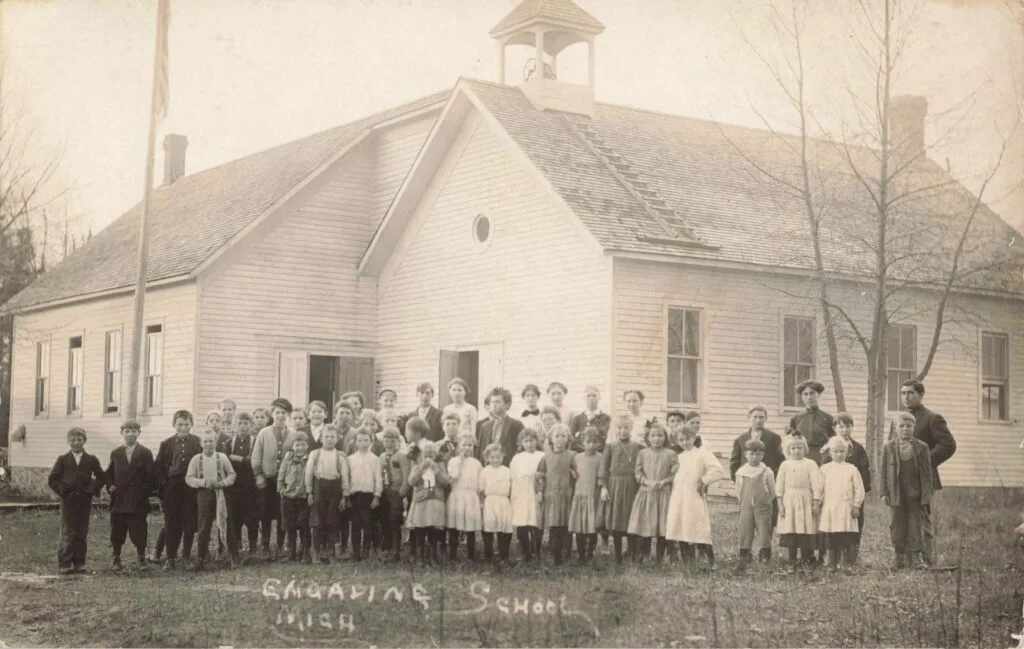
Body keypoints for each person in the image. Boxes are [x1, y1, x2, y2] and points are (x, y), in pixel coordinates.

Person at [899, 379, 956, 566]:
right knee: (902, 517)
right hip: (901, 478)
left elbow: (948, 445)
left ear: (921, 395)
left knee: (921, 516)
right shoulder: (900, 420)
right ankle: (908, 559)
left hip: (923, 478)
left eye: (911, 393)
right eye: (903, 393)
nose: (906, 397)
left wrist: (922, 462)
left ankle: (927, 559)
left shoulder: (932, 418)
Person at [880, 412, 934, 570]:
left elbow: (927, 473)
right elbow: (883, 472)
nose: (905, 429)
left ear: (914, 428)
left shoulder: (922, 447)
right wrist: (884, 492)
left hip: (915, 494)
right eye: (901, 426)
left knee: (916, 524)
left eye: (909, 426)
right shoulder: (888, 447)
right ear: (896, 428)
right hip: (896, 493)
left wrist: (927, 493)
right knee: (897, 523)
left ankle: (915, 557)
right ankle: (899, 557)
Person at [666, 422, 725, 568]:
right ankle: (687, 560)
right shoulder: (678, 457)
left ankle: (707, 559)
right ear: (676, 441)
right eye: (681, 440)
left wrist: (703, 480)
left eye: (687, 438)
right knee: (680, 524)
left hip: (694, 495)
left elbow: (718, 470)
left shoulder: (702, 453)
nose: (685, 442)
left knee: (698, 525)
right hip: (678, 496)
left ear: (694, 437)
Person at [48, 427, 105, 575]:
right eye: (72, 440)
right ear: (68, 441)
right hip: (68, 502)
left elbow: (101, 476)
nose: (76, 442)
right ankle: (65, 563)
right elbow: (53, 479)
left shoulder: (91, 459)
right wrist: (63, 491)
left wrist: (92, 488)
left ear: (84, 441)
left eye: (79, 439)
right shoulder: (62, 459)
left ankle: (79, 563)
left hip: (85, 501)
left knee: (81, 532)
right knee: (68, 531)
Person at [105, 420, 155, 572]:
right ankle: (116, 557)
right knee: (117, 530)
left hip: (137, 500)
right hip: (119, 499)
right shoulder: (116, 453)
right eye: (127, 431)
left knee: (138, 529)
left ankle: (141, 558)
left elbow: (150, 476)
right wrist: (110, 486)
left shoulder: (145, 453)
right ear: (122, 433)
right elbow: (109, 474)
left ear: (139, 433)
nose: (130, 434)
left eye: (134, 431)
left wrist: (143, 493)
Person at [154, 410, 201, 569]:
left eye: (187, 424)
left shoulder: (197, 442)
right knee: (171, 522)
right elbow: (159, 467)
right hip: (172, 487)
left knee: (189, 522)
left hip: (191, 487)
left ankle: (186, 556)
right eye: (180, 424)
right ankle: (171, 557)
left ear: (191, 425)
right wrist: (164, 484)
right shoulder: (166, 444)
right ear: (174, 425)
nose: (183, 427)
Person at [185, 430, 238, 570]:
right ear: (201, 443)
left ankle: (233, 556)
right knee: (203, 526)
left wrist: (223, 483)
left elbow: (232, 474)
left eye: (211, 441)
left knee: (227, 523)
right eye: (205, 441)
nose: (208, 444)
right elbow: (189, 478)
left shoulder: (222, 457)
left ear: (216, 443)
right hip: (204, 495)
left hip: (221, 494)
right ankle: (201, 558)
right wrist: (202, 483)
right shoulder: (196, 459)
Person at [823, 412, 871, 563]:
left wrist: (858, 493)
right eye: (840, 426)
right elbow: (823, 473)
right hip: (833, 497)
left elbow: (864, 470)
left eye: (847, 426)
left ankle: (850, 558)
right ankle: (832, 559)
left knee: (853, 525)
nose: (844, 430)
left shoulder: (857, 448)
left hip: (851, 495)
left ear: (852, 427)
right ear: (834, 428)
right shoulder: (827, 449)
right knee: (833, 526)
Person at [776, 435, 824, 574]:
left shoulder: (810, 464)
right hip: (789, 499)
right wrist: (780, 504)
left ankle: (805, 560)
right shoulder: (785, 465)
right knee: (791, 531)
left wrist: (816, 502)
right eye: (793, 448)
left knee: (805, 530)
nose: (796, 451)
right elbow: (779, 486)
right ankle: (791, 561)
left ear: (805, 449)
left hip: (805, 499)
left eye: (799, 447)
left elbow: (817, 484)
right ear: (788, 450)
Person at [818, 436, 865, 572]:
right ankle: (833, 563)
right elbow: (819, 488)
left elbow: (859, 489)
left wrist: (856, 505)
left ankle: (847, 563)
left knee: (846, 535)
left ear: (847, 453)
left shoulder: (851, 469)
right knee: (832, 535)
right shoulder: (825, 469)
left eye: (842, 452)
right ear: (830, 453)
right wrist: (818, 503)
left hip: (846, 508)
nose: (839, 454)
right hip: (830, 507)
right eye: (836, 452)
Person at [252, 398, 291, 558]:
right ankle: (266, 544)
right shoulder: (264, 433)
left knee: (283, 513)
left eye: (283, 413)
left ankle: (281, 545)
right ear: (272, 415)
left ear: (287, 415)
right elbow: (256, 456)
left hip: (285, 482)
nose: (280, 416)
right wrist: (259, 475)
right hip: (267, 479)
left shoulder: (293, 434)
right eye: (277, 413)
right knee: (266, 513)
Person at [600, 415, 642, 564]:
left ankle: (632, 552)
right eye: (619, 428)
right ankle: (617, 556)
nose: (623, 431)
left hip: (631, 484)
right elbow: (604, 468)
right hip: (614, 485)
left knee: (631, 517)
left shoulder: (638, 447)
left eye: (626, 427)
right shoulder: (610, 446)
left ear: (631, 428)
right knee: (616, 518)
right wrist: (604, 487)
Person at [304, 427, 349, 564]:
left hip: (334, 488)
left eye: (332, 437)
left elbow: (345, 476)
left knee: (333, 520)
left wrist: (344, 495)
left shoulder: (340, 455)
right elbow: (309, 473)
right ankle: (316, 552)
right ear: (321, 438)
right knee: (317, 521)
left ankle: (330, 551)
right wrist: (309, 491)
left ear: (337, 439)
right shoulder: (315, 454)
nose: (329, 439)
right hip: (319, 487)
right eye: (327, 437)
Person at [732, 439, 776, 573]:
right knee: (745, 529)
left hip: (762, 506)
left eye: (758, 454)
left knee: (764, 529)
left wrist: (766, 502)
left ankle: (764, 554)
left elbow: (772, 491)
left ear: (763, 455)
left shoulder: (766, 471)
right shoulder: (741, 472)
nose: (755, 457)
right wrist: (743, 502)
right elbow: (738, 490)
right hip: (746, 505)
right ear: (745, 454)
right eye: (751, 454)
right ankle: (745, 554)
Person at [536, 425, 575, 565]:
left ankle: (567, 554)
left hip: (567, 494)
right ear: (551, 439)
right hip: (551, 494)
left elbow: (577, 474)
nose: (560, 439)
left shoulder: (572, 456)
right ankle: (555, 555)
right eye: (557, 436)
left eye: (563, 436)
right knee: (553, 525)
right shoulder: (546, 457)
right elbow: (540, 476)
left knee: (566, 525)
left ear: (568, 439)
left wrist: (574, 473)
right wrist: (540, 491)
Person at [222, 411, 259, 555]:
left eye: (246, 423)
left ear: (251, 426)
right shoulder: (229, 443)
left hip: (251, 486)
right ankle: (237, 546)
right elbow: (225, 462)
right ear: (234, 426)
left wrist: (239, 459)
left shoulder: (255, 441)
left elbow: (255, 461)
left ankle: (253, 546)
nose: (243, 427)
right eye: (240, 423)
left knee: (252, 518)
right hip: (234, 487)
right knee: (235, 517)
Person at [407, 440, 450, 563]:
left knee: (433, 530)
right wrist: (421, 470)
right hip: (421, 502)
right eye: (425, 456)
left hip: (435, 502)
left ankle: (433, 556)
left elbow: (445, 483)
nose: (428, 459)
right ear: (421, 456)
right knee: (420, 529)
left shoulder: (439, 468)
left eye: (431, 456)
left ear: (435, 456)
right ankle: (420, 557)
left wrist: (437, 471)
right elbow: (411, 482)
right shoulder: (417, 467)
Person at [568, 428, 603, 563]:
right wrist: (572, 472)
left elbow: (601, 476)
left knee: (592, 526)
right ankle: (581, 554)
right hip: (580, 494)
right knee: (579, 526)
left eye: (594, 442)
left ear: (599, 443)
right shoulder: (577, 458)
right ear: (582, 443)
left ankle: (590, 552)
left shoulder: (600, 458)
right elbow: (572, 472)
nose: (591, 445)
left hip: (593, 495)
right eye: (588, 442)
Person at [510, 428, 545, 562]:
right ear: (521, 443)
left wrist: (540, 490)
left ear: (536, 441)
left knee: (536, 522)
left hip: (536, 491)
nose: (529, 444)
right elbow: (513, 476)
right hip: (521, 491)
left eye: (532, 441)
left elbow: (544, 475)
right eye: (526, 441)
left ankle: (536, 551)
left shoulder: (542, 455)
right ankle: (525, 552)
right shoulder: (517, 458)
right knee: (522, 522)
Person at [277, 431, 312, 564]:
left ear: (307, 446)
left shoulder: (310, 460)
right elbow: (281, 475)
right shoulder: (287, 460)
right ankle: (291, 553)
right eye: (297, 445)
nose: (300, 448)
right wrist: (281, 489)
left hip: (303, 498)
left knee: (304, 526)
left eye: (303, 445)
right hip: (288, 498)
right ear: (292, 446)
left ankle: (305, 553)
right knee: (289, 526)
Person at [346, 430, 382, 561]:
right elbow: (348, 478)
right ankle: (356, 551)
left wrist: (377, 496)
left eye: (366, 440)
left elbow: (378, 479)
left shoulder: (375, 459)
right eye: (360, 440)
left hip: (368, 496)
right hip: (355, 495)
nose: (363, 443)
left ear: (371, 441)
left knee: (368, 524)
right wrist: (347, 496)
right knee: (355, 524)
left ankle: (366, 549)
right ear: (355, 442)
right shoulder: (350, 459)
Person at [446, 435, 482, 562]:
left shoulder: (477, 463)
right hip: (457, 495)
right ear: (459, 446)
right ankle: (452, 556)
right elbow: (453, 477)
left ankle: (471, 557)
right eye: (464, 445)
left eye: (469, 445)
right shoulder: (453, 461)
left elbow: (479, 483)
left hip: (471, 496)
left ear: (473, 447)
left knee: (470, 528)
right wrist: (460, 462)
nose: (466, 448)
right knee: (454, 527)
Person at [378, 427, 411, 562]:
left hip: (396, 492)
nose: (389, 443)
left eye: (392, 441)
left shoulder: (402, 456)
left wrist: (402, 493)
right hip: (385, 492)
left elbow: (406, 475)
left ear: (398, 441)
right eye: (386, 440)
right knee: (384, 521)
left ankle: (396, 550)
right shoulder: (381, 456)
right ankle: (387, 548)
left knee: (394, 521)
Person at [478, 443, 514, 564]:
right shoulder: (485, 471)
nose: (495, 460)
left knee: (504, 527)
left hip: (503, 501)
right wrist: (481, 504)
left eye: (498, 457)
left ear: (502, 457)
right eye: (492, 457)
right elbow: (481, 490)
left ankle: (504, 554)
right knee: (488, 525)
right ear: (487, 458)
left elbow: (511, 488)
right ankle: (488, 553)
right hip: (490, 501)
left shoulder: (507, 471)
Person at [788, 380, 835, 465]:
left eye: (812, 393)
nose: (809, 397)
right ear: (802, 397)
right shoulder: (796, 418)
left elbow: (833, 440)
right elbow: (791, 441)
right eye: (805, 394)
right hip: (802, 457)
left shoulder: (828, 418)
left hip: (822, 458)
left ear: (819, 394)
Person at [476, 388, 524, 466]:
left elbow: (521, 449)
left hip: (507, 467)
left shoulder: (516, 425)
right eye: (492, 402)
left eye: (497, 402)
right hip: (488, 469)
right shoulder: (485, 426)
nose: (494, 405)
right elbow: (480, 451)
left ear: (507, 405)